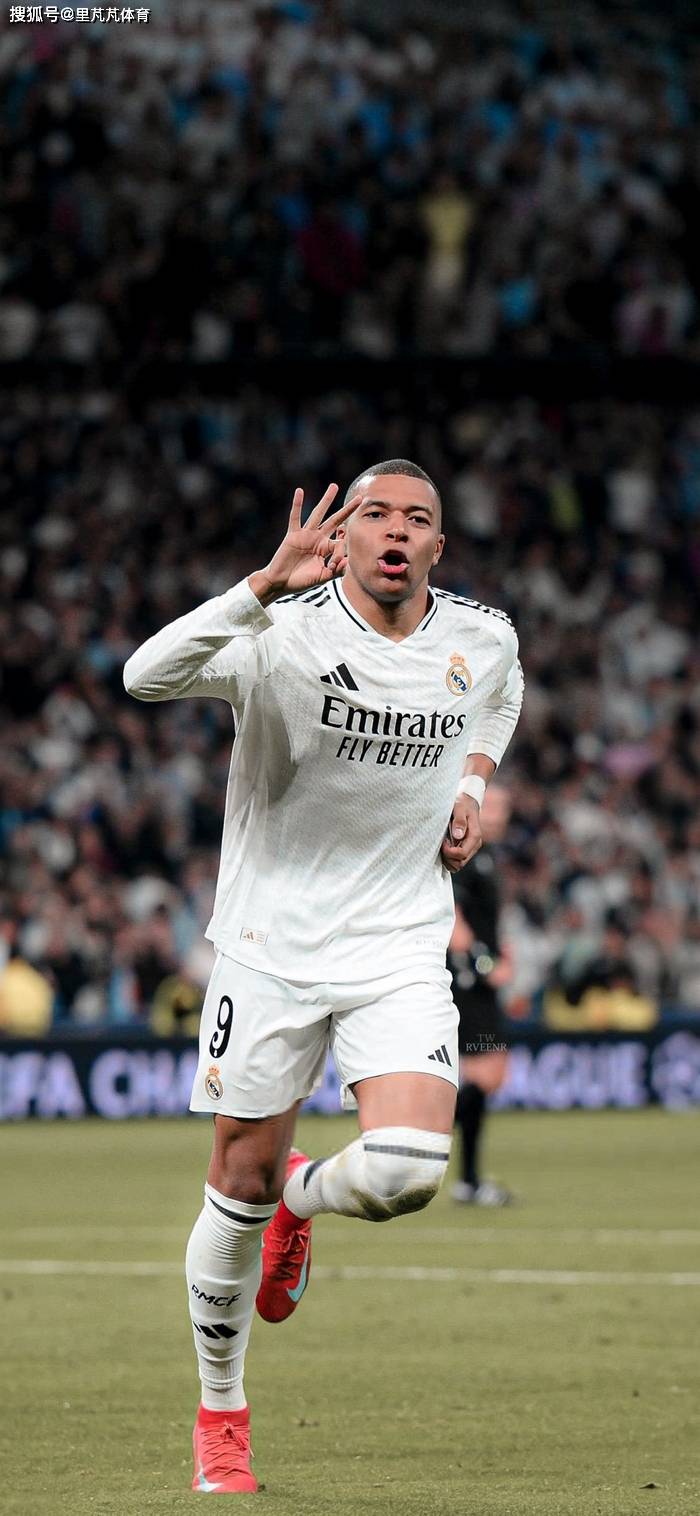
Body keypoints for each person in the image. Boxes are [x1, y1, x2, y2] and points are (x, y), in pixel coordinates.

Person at [123, 459, 524, 1495]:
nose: (395, 531)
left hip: (399, 942)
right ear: (341, 537)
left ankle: (304, 1197)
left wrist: (473, 786)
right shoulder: (279, 633)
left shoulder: (481, 637)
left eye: (417, 519)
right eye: (375, 514)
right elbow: (144, 677)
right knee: (235, 1187)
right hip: (271, 947)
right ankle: (221, 1412)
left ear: (438, 545)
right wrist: (261, 585)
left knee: (405, 1172)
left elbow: (500, 699)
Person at [448, 783, 516, 1206]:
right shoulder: (465, 854)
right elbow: (452, 921)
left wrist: (504, 953)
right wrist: (487, 966)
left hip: (480, 986)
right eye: (491, 805)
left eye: (504, 808)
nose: (498, 814)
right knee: (486, 1074)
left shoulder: (487, 856)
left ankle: (467, 1178)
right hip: (468, 985)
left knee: (488, 1076)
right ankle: (409, 1127)